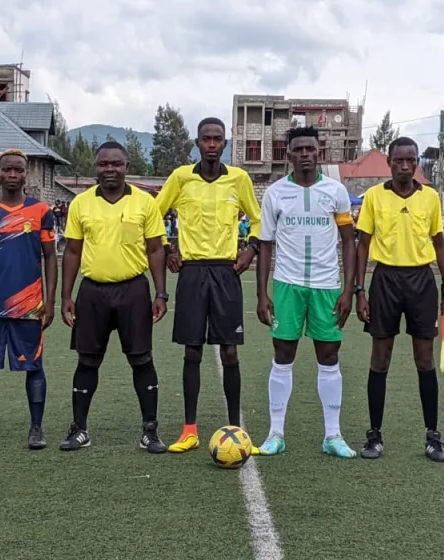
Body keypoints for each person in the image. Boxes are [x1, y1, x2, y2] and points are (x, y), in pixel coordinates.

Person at [156, 117, 262, 453]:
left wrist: (251, 248)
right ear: (197, 142)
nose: (212, 144)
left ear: (225, 143)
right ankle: (189, 429)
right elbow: (153, 213)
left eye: (218, 139)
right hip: (191, 272)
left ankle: (235, 428)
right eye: (206, 139)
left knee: (229, 351)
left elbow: (259, 218)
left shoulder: (239, 179)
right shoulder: (181, 178)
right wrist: (167, 245)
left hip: (226, 272)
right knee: (193, 349)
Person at [59, 141, 170, 453]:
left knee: (141, 358)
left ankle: (150, 431)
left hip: (133, 290)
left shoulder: (145, 202)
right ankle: (79, 429)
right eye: (104, 164)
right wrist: (66, 296)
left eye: (116, 164)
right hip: (92, 291)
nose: (110, 169)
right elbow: (72, 251)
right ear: (96, 168)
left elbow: (155, 249)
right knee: (87, 359)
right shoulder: (81, 203)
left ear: (127, 167)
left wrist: (160, 293)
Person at [255, 126, 357, 458]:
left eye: (310, 149)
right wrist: (262, 293)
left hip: (327, 286)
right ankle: (275, 434)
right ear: (289, 154)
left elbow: (348, 240)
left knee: (329, 356)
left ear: (319, 152)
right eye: (298, 149)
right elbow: (265, 245)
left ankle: (332, 435)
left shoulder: (336, 191)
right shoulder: (275, 193)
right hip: (287, 285)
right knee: (283, 354)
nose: (304, 154)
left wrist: (349, 291)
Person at [353, 137, 444, 463]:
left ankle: (433, 437)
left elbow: (439, 245)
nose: (405, 166)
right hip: (385, 280)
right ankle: (374, 435)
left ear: (418, 163)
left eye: (411, 160)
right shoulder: (373, 197)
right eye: (399, 160)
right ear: (389, 162)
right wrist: (360, 291)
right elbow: (363, 246)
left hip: (421, 281)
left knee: (425, 359)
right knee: (380, 358)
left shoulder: (430, 198)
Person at [0, 149, 58, 450]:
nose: (13, 175)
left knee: (34, 366)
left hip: (29, 307)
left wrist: (50, 301)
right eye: (8, 170)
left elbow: (50, 259)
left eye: (18, 170)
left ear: (25, 173)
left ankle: (36, 429)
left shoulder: (41, 211)